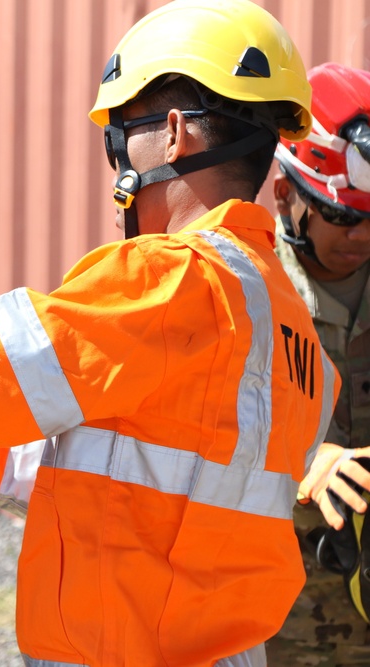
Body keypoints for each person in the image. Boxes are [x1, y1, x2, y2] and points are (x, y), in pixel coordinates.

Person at [0, 0, 342, 664]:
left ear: (173, 134)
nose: (116, 160)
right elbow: (88, 463)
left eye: (121, 135)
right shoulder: (299, 339)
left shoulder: (166, 279)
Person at [266, 61, 370, 663]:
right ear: (286, 195)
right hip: (289, 620)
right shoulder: (246, 294)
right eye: (342, 215)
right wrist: (310, 456)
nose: (360, 234)